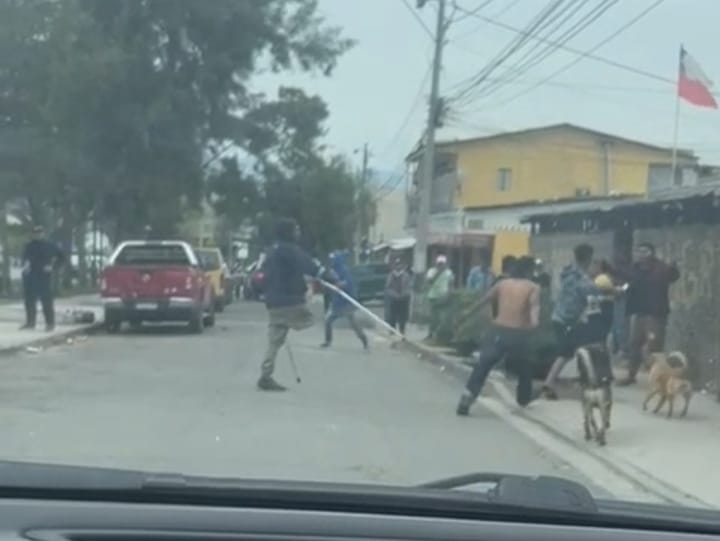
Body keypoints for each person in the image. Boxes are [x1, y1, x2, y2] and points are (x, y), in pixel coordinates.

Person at [456, 256, 540, 415]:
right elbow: (534, 312)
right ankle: (523, 398)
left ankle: (468, 396)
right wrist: (533, 325)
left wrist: (466, 314)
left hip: (498, 331)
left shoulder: (502, 284)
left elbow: (483, 301)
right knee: (524, 368)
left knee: (483, 364)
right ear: (529, 271)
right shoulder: (532, 287)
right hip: (518, 334)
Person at [258, 217, 327, 392]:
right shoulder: (291, 251)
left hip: (273, 302)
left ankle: (266, 375)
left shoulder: (272, 251)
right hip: (289, 302)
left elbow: (262, 275)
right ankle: (293, 324)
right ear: (288, 232)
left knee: (275, 340)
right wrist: (330, 277)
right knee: (312, 318)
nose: (298, 232)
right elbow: (310, 266)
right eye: (295, 229)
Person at [541, 244, 598, 400]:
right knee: (568, 352)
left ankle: (558, 382)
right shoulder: (581, 277)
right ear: (588, 257)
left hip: (559, 316)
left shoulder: (567, 271)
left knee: (572, 351)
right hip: (569, 321)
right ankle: (550, 382)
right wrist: (612, 289)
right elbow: (591, 291)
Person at [618, 242, 680, 386]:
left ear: (651, 253)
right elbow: (629, 281)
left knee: (655, 346)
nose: (640, 254)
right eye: (638, 251)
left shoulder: (661, 268)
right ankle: (631, 375)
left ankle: (659, 379)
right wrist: (623, 289)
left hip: (656, 313)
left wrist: (674, 267)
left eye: (644, 251)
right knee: (635, 344)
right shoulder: (635, 268)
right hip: (640, 312)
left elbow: (673, 276)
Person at [321, 250, 369, 350]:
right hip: (337, 302)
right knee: (328, 321)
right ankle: (328, 341)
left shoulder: (344, 270)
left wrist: (339, 285)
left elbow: (347, 283)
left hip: (347, 302)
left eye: (333, 259)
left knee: (353, 323)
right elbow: (332, 282)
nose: (332, 262)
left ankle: (364, 339)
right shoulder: (333, 271)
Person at [20, 225, 64, 332]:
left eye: (39, 233)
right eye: (35, 233)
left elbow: (62, 258)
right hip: (30, 275)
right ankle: (30, 322)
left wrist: (53, 267)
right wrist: (25, 265)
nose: (37, 235)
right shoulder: (29, 246)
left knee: (46, 301)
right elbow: (25, 258)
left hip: (44, 275)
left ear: (43, 233)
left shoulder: (50, 245)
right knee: (29, 300)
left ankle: (50, 323)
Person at [425, 255, 454, 342]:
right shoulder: (431, 271)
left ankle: (439, 336)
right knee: (433, 317)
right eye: (439, 264)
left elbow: (451, 285)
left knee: (442, 318)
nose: (441, 265)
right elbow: (429, 282)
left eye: (442, 264)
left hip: (443, 297)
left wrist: (449, 295)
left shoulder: (449, 273)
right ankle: (430, 334)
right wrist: (438, 273)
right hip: (433, 297)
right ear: (436, 263)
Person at [385, 257, 412, 335]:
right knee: (392, 316)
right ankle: (392, 331)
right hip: (394, 299)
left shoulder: (406, 275)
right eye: (397, 265)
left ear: (402, 266)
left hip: (403, 299)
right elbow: (388, 287)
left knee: (403, 317)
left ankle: (402, 331)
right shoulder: (391, 275)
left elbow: (409, 287)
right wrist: (394, 295)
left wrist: (404, 294)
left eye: (400, 265)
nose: (398, 266)